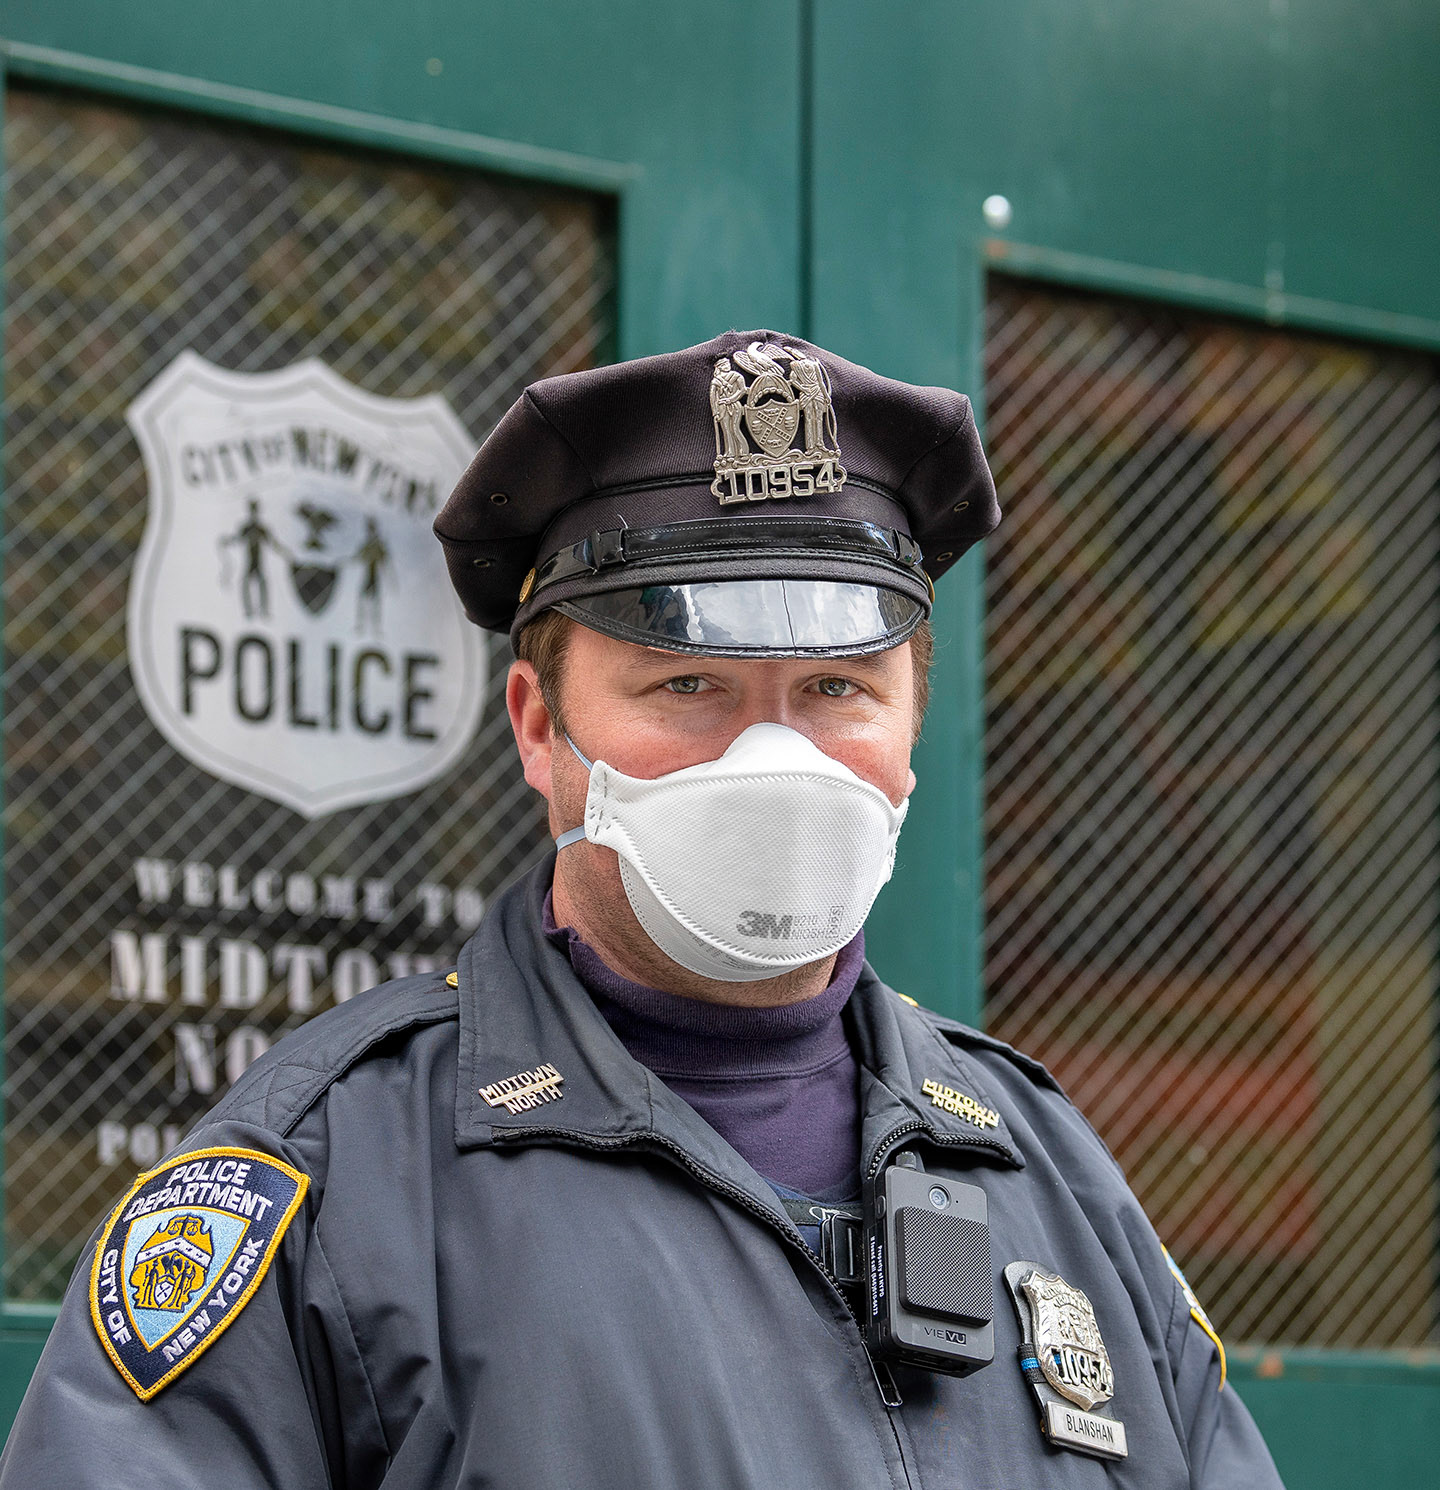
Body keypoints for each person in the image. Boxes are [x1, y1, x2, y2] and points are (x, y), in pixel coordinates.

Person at [0, 331, 1284, 1488]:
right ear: (541, 726)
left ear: (911, 731)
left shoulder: (1049, 1172)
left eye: (839, 684)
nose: (772, 760)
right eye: (687, 684)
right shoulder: (332, 1185)